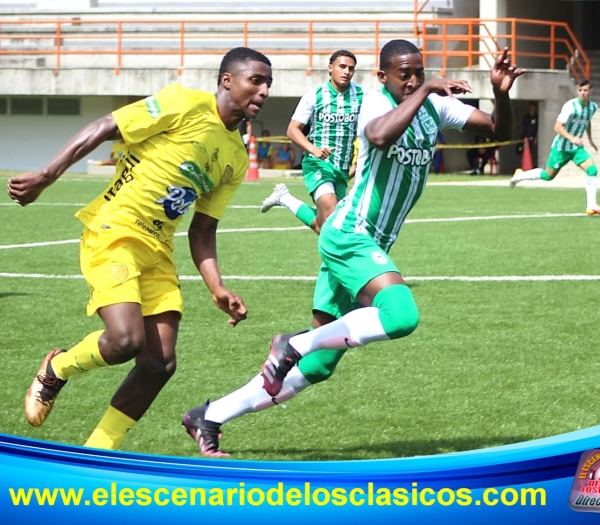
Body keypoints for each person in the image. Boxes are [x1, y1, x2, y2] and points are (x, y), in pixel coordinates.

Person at [181, 40, 523, 457]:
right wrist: (426, 89)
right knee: (401, 315)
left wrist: (501, 93)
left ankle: (211, 415)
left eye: (418, 71)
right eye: (404, 74)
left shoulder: (434, 107)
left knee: (319, 366)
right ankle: (294, 343)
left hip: (362, 243)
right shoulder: (373, 103)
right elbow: (379, 137)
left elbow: (500, 131)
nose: (413, 79)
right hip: (350, 233)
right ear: (382, 77)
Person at [7, 47, 273, 450]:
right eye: (257, 80)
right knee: (126, 340)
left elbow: (202, 230)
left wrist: (218, 288)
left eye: (269, 83)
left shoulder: (235, 157)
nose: (265, 90)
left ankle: (97, 451)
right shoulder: (184, 103)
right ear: (227, 80)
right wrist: (47, 175)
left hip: (158, 248)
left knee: (159, 363)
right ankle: (57, 367)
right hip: (115, 231)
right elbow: (104, 126)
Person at [260, 50, 364, 235]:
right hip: (317, 164)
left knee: (324, 227)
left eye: (351, 68)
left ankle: (284, 198)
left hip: (341, 169)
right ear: (330, 68)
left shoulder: (361, 96)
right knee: (331, 212)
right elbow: (292, 130)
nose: (347, 71)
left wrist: (359, 163)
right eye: (342, 67)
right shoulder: (314, 95)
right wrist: (313, 149)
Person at [509, 79, 600, 215]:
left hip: (576, 149)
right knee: (547, 176)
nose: (582, 93)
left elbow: (587, 121)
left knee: (592, 170)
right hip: (561, 148)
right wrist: (572, 138)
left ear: (591, 91)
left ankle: (591, 206)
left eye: (585, 90)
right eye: (580, 90)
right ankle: (520, 176)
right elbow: (557, 126)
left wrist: (590, 140)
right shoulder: (570, 106)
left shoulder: (592, 107)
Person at [518, 101, 538, 166]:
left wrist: (536, 138)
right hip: (525, 138)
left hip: (533, 138)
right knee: (520, 150)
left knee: (531, 152)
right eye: (530, 108)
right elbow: (523, 127)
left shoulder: (536, 117)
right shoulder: (526, 117)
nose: (531, 110)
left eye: (532, 108)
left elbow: (538, 128)